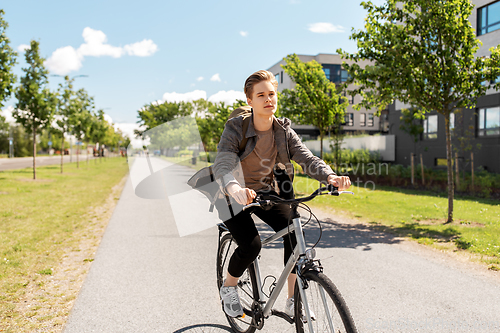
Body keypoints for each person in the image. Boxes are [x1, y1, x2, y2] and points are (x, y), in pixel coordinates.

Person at [212, 70, 351, 318]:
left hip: (265, 192)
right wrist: (234, 189)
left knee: (295, 235)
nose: (268, 99)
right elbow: (223, 163)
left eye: (272, 94)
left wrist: (329, 176)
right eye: (261, 95)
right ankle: (229, 286)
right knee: (251, 244)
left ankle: (292, 299)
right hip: (230, 193)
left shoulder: (283, 131)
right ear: (250, 100)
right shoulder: (236, 128)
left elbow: (306, 158)